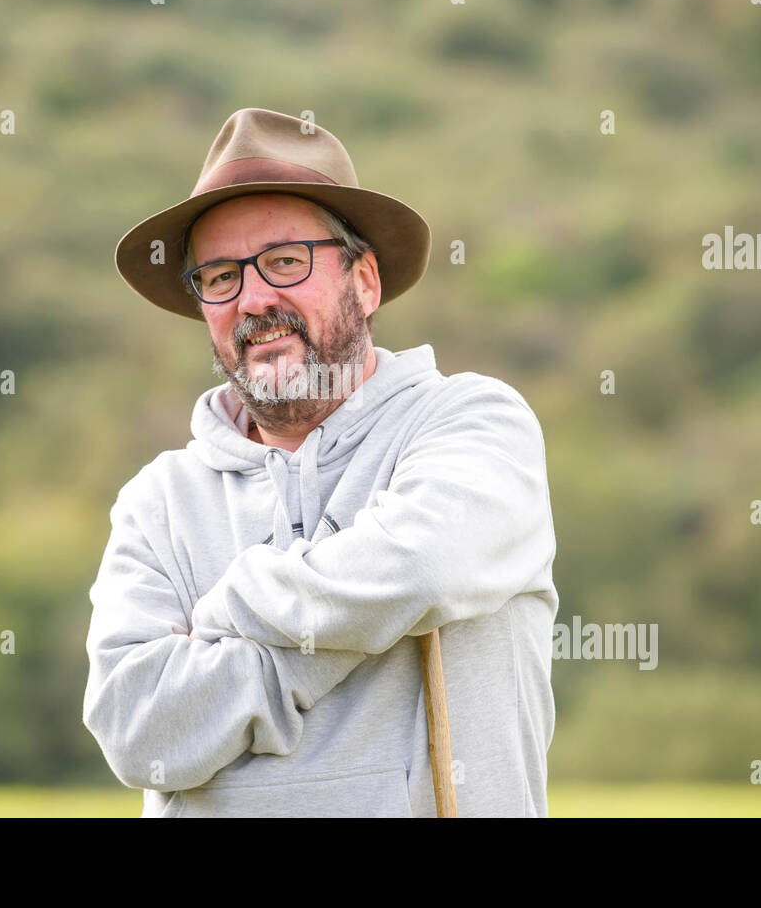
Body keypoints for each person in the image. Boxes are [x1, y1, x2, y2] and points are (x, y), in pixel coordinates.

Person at [83, 107, 559, 816]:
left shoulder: (474, 425)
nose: (253, 298)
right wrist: (356, 617)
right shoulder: (158, 502)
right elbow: (135, 728)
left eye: (284, 261)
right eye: (219, 276)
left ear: (364, 281)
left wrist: (228, 611)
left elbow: (422, 567)